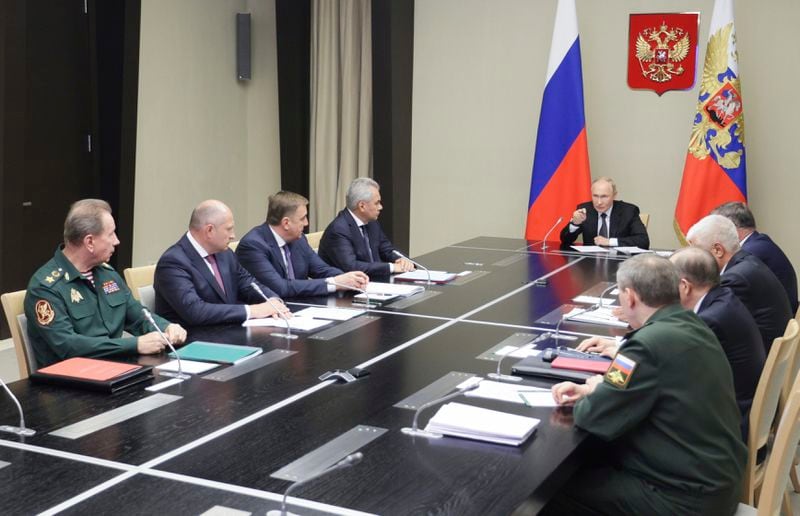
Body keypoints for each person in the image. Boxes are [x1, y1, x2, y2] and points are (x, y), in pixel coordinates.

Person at [545, 254, 745, 515]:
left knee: (551, 492)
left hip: (682, 501)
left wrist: (594, 395)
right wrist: (599, 389)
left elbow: (594, 416)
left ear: (630, 297)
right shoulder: (694, 324)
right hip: (717, 486)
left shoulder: (642, 347)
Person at [25, 199, 187, 368]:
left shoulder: (106, 274)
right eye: (111, 234)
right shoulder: (45, 287)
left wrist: (166, 327)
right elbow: (68, 346)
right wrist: (135, 345)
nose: (116, 241)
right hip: (69, 382)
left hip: (114, 369)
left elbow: (138, 317)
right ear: (89, 242)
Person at [154, 200, 290, 327]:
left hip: (228, 331)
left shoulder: (225, 254)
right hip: (194, 342)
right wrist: (253, 311)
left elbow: (249, 284)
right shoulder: (173, 262)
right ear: (209, 230)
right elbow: (195, 311)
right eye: (229, 229)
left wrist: (273, 301)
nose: (233, 236)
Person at [687, 214, 792, 353]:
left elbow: (711, 325)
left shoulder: (735, 279)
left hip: (758, 361)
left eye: (696, 251)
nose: (692, 258)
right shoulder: (748, 262)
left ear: (718, 250)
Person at [236, 191, 369, 298]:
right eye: (302, 218)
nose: (306, 223)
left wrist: (348, 279)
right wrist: (335, 283)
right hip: (269, 315)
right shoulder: (253, 245)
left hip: (300, 305)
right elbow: (280, 288)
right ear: (286, 223)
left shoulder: (299, 239)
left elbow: (321, 269)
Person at [317, 177, 415, 277]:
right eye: (377, 203)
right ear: (362, 206)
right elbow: (351, 266)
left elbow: (387, 250)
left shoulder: (372, 222)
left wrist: (401, 260)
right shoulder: (338, 230)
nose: (381, 207)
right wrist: (391, 267)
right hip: (349, 289)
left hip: (376, 282)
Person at [712, 201, 798, 313]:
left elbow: (722, 294)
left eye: (715, 230)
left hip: (776, 325)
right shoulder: (759, 242)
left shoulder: (751, 252)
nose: (713, 237)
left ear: (730, 228)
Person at [559, 176, 649, 248]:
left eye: (604, 196)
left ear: (614, 195)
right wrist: (575, 224)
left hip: (619, 263)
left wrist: (610, 242)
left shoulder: (628, 211)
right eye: (595, 196)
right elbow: (565, 240)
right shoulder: (585, 209)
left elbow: (643, 241)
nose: (599, 202)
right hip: (590, 264)